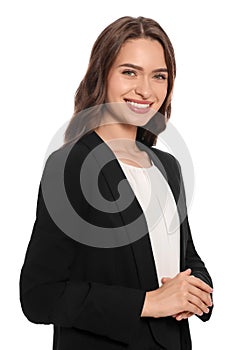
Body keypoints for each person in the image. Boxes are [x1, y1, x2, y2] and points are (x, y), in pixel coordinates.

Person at [19, 16, 213, 350]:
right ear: (102, 74)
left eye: (159, 76)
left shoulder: (168, 167)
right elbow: (40, 295)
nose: (145, 89)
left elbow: (186, 258)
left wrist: (197, 289)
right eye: (129, 72)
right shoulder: (71, 165)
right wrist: (149, 303)